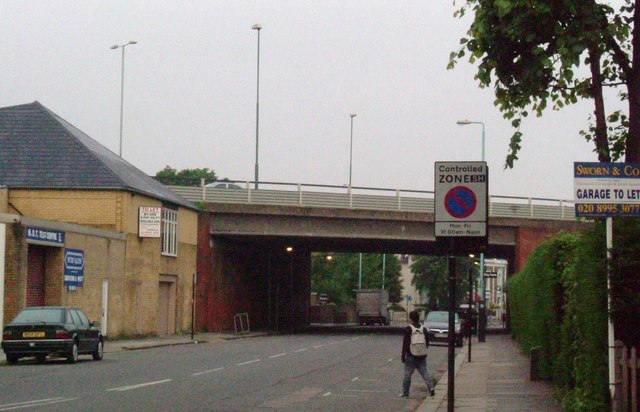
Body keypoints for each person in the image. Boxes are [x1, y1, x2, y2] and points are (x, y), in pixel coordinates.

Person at [401, 310, 435, 397]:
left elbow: (406, 343)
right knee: (424, 372)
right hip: (422, 355)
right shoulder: (423, 329)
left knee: (407, 375)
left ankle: (405, 393)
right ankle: (431, 387)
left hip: (411, 355)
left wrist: (403, 355)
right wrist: (422, 350)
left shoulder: (408, 329)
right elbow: (427, 342)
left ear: (410, 319)